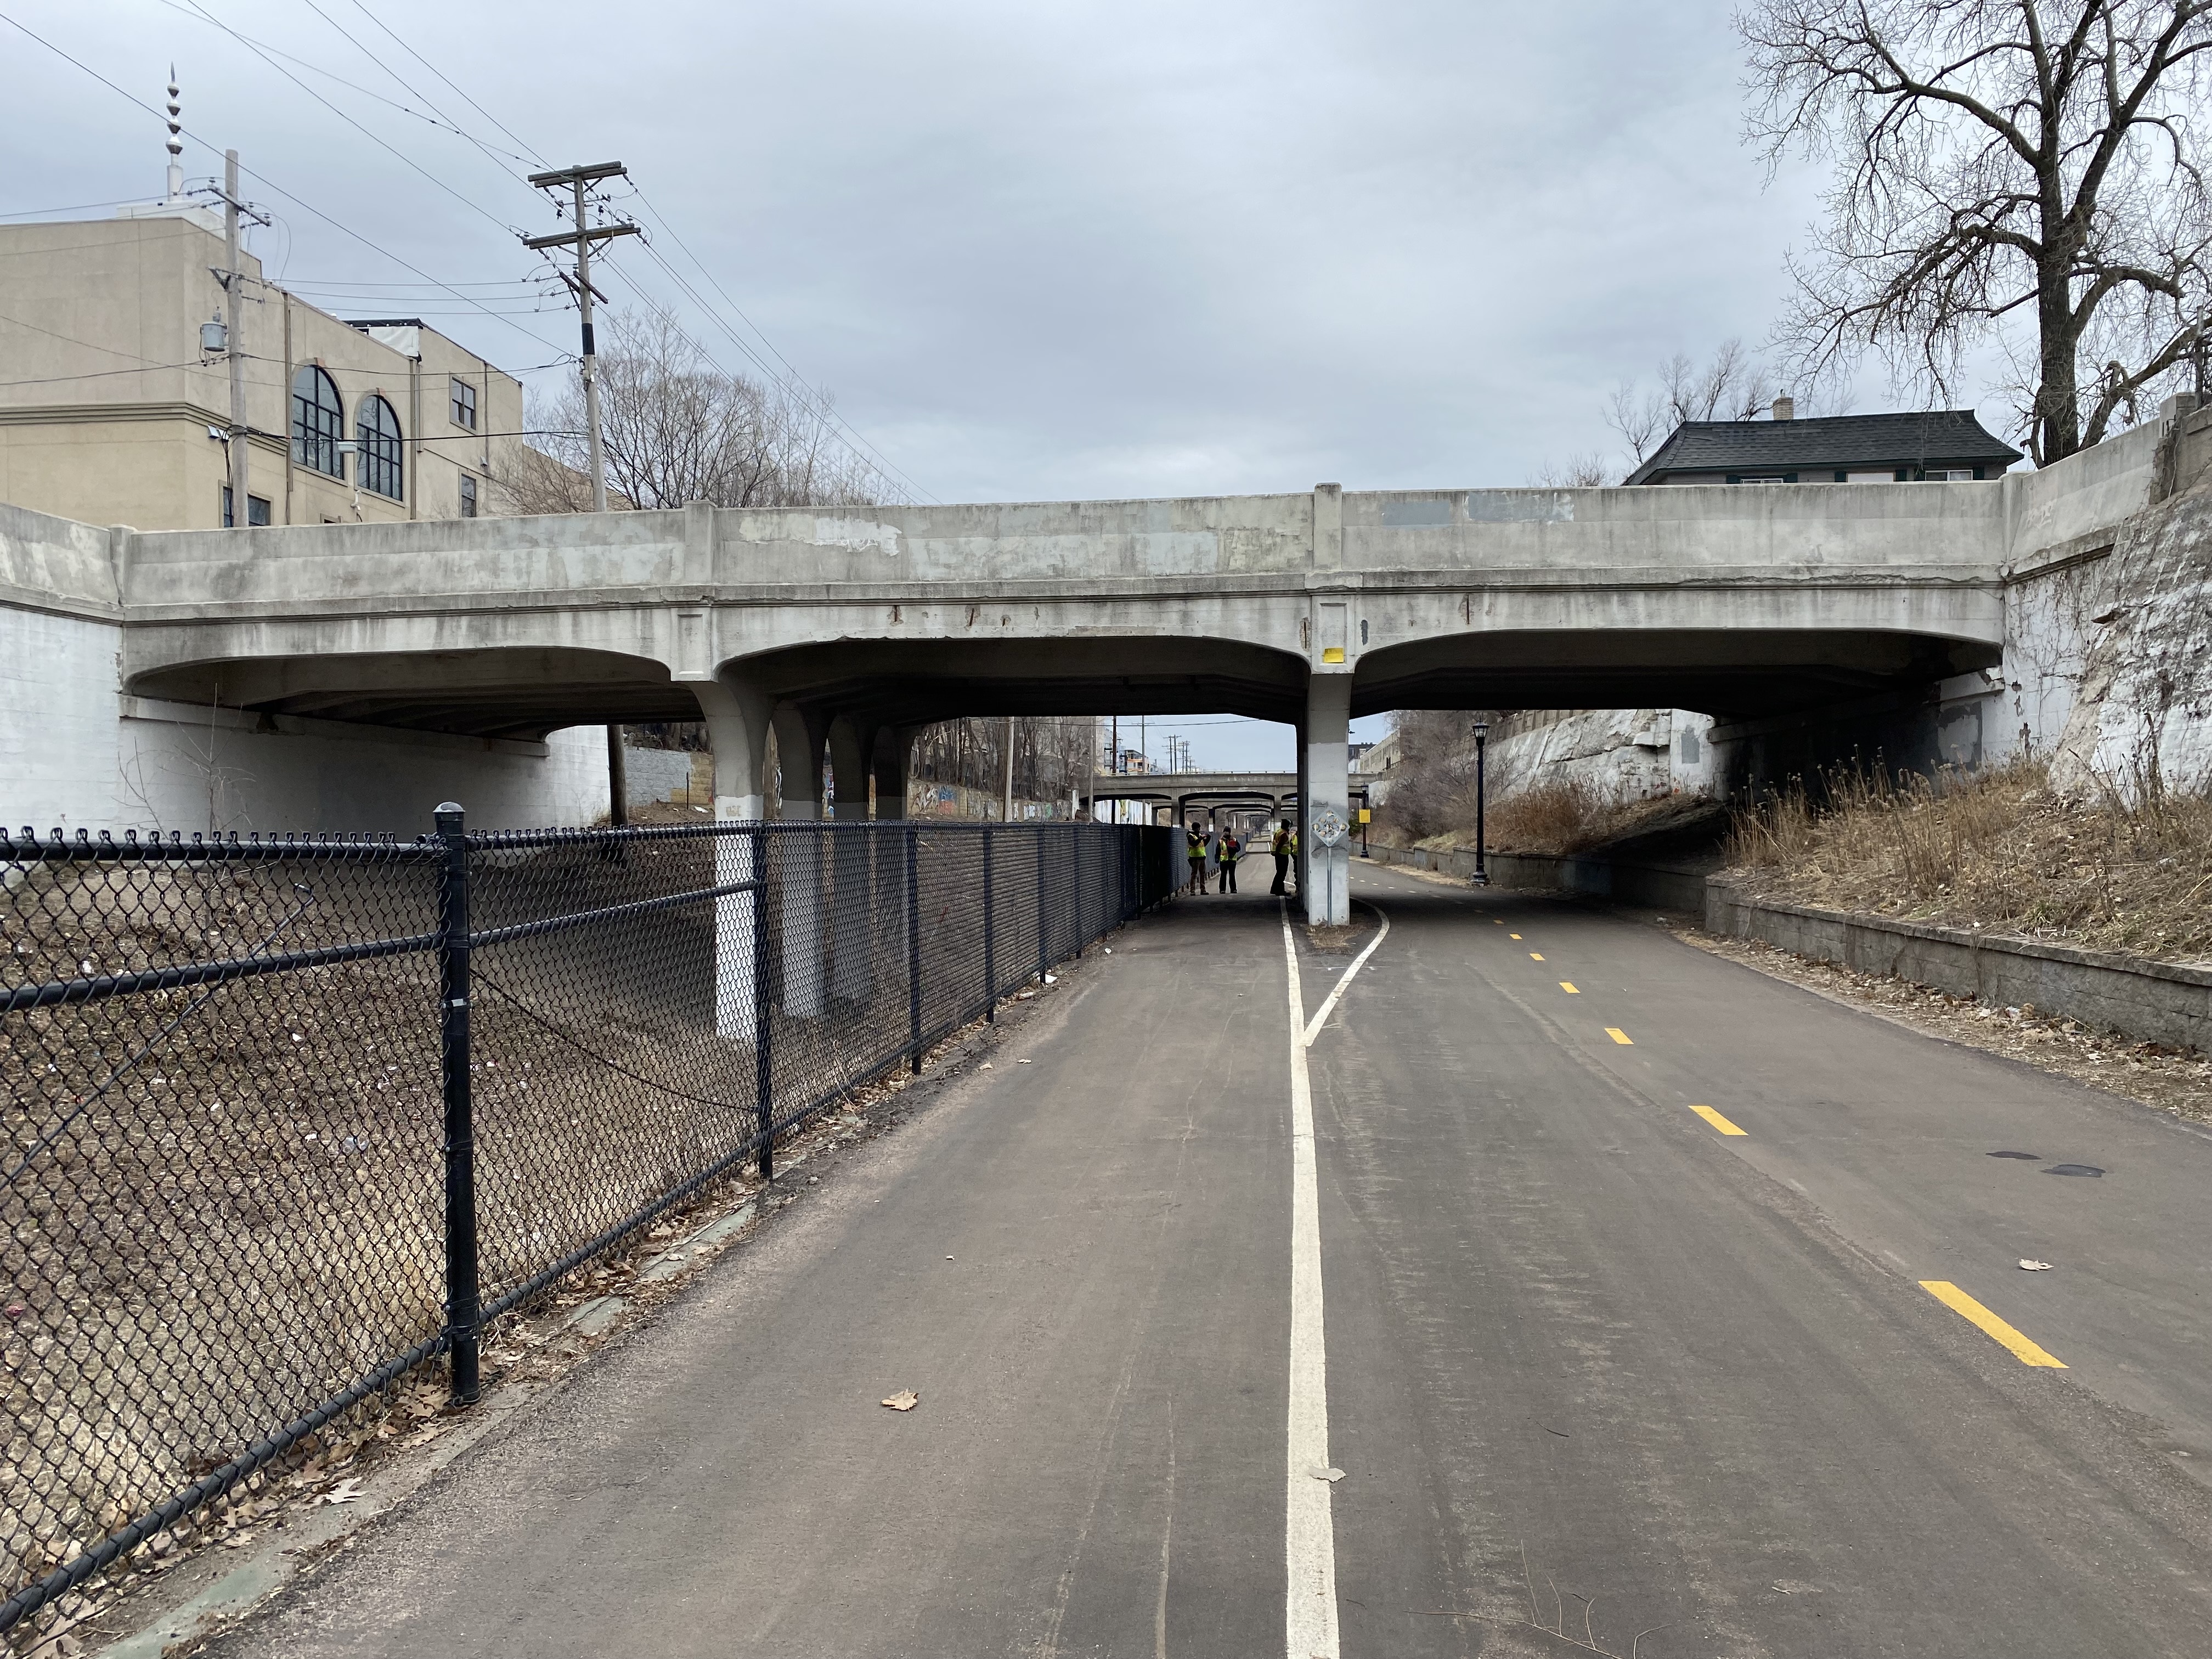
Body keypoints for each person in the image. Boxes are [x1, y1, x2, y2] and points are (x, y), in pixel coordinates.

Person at [1269, 819, 1293, 895]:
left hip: (1279, 855)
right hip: (1282, 855)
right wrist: (1277, 853)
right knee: (1282, 874)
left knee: (1279, 873)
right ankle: (1280, 891)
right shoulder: (1284, 834)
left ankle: (1274, 890)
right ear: (1288, 826)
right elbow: (1280, 845)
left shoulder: (1278, 832)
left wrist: (1275, 853)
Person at [1186, 821, 1209, 895]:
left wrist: (1208, 837)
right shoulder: (1190, 836)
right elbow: (1194, 844)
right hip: (1195, 858)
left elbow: (1203, 845)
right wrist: (1200, 838)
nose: (1199, 829)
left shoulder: (1199, 835)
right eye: (1198, 828)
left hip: (1202, 857)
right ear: (1195, 828)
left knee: (1203, 874)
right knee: (1194, 874)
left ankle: (1203, 890)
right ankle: (1192, 890)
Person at [1218, 826, 1242, 893]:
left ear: (1230, 832)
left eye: (1227, 831)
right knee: (1223, 875)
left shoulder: (1234, 840)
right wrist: (1217, 857)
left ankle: (1233, 889)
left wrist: (1230, 848)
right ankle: (1222, 890)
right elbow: (1218, 850)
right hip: (1224, 860)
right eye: (1225, 831)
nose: (1226, 833)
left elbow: (1238, 849)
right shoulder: (1221, 841)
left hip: (1232, 860)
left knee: (1232, 875)